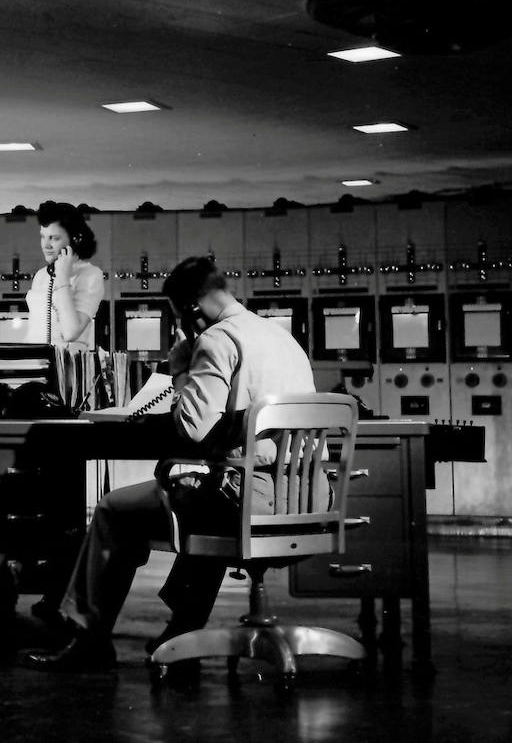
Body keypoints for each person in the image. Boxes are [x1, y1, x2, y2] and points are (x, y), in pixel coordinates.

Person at [21, 255, 316, 671]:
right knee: (202, 495)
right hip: (300, 499)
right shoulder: (283, 338)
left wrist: (179, 368)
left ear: (191, 310)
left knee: (114, 511)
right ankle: (183, 631)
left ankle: (88, 638)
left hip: (244, 501)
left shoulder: (218, 339)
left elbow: (191, 428)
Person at [26, 201, 105, 348]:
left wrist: (63, 278)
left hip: (67, 365)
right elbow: (34, 331)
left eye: (54, 238)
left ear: (75, 239)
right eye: (43, 237)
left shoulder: (91, 275)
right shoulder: (41, 276)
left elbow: (70, 333)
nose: (46, 245)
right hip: (34, 362)